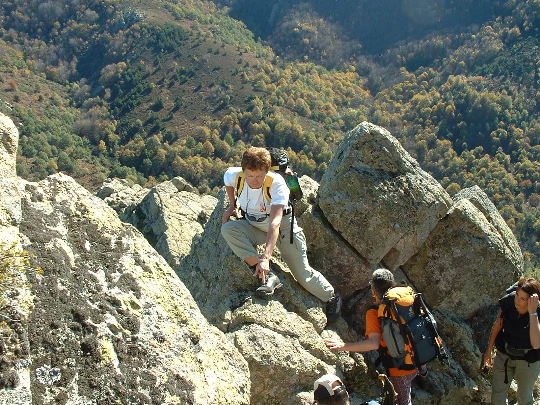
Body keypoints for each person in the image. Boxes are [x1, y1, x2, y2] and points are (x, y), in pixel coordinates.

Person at [221, 147, 341, 319]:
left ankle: (332, 297)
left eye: (259, 176)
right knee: (228, 229)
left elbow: (275, 222)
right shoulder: (235, 175)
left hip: (283, 227)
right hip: (255, 225)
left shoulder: (277, 183)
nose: (254, 180)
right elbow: (227, 180)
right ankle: (269, 276)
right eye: (250, 175)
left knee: (302, 274)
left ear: (267, 171)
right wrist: (232, 205)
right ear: (243, 171)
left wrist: (266, 257)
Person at [325, 269, 420, 405]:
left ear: (373, 291)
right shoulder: (406, 297)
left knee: (403, 401)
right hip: (421, 354)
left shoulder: (374, 312)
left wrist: (343, 346)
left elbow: (373, 344)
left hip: (402, 368)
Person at [482, 277, 540, 405]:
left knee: (525, 398)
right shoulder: (509, 301)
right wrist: (488, 351)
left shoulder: (537, 311)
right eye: (517, 295)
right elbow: (498, 324)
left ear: (531, 300)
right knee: (497, 397)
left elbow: (536, 344)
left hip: (528, 360)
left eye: (522, 299)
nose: (517, 301)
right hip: (505, 355)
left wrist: (533, 313)